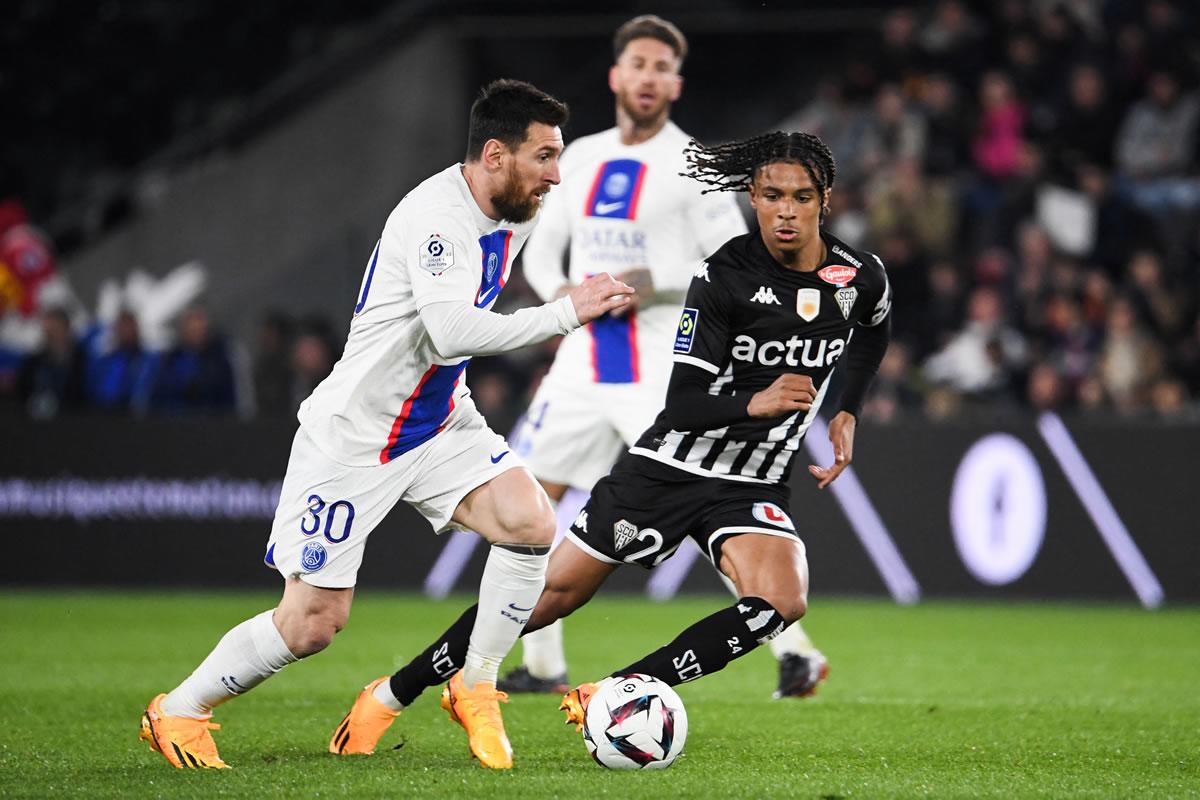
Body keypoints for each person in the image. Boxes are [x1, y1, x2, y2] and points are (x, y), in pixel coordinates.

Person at [334, 130, 891, 754]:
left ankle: (620, 689)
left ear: (826, 199)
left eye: (801, 197)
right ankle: (391, 694)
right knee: (546, 599)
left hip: (753, 482)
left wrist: (847, 410)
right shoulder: (723, 279)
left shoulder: (859, 275)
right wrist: (755, 402)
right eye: (769, 195)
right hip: (669, 467)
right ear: (751, 197)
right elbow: (681, 405)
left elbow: (872, 331)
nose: (785, 210)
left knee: (782, 601)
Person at [137, 79, 634, 772]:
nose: (555, 172)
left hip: (436, 421)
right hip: (356, 436)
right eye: (545, 156)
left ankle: (475, 682)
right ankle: (180, 710)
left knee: (529, 522)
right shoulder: (437, 218)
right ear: (495, 154)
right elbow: (451, 328)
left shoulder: (514, 208)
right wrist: (565, 313)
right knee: (312, 626)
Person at [500, 14, 830, 701]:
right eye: (638, 64)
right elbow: (541, 239)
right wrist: (565, 295)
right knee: (529, 501)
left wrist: (647, 283)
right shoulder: (580, 156)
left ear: (675, 83)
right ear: (617, 75)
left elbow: (732, 265)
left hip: (658, 365)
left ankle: (794, 649)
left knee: (706, 507)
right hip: (585, 363)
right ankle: (541, 664)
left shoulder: (698, 168)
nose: (648, 77)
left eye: (661, 67)